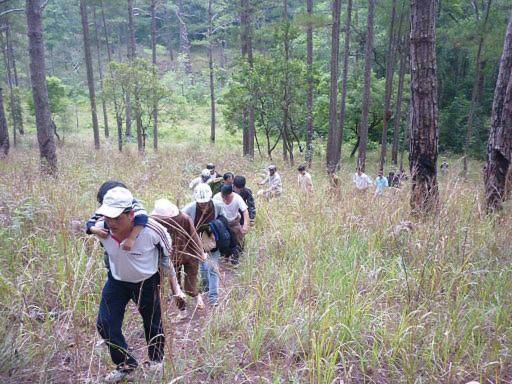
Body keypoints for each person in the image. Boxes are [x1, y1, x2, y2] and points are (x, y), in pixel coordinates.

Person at [92, 187, 183, 383]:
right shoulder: (101, 227)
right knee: (105, 323)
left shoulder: (153, 231)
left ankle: (156, 361)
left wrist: (176, 289)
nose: (111, 223)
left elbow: (166, 259)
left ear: (131, 215)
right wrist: (92, 227)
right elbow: (88, 225)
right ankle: (126, 364)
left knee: (152, 323)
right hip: (116, 281)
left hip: (146, 282)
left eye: (117, 218)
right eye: (108, 217)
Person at [150, 199, 206, 319]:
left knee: (190, 285)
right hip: (171, 258)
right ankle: (183, 311)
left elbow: (193, 235)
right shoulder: (155, 221)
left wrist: (201, 252)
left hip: (189, 254)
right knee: (176, 287)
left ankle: (197, 297)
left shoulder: (184, 218)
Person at [86, 180, 148, 269]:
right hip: (111, 248)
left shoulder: (132, 204)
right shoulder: (105, 208)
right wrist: (95, 230)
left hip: (133, 247)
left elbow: (142, 217)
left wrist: (131, 238)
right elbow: (90, 223)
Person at [182, 184, 225, 306]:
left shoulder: (218, 206)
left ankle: (213, 298)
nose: (203, 205)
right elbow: (181, 222)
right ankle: (206, 287)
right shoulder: (189, 209)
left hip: (212, 243)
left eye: (205, 202)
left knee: (212, 268)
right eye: (200, 203)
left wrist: (213, 227)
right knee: (203, 266)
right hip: (196, 244)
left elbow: (224, 220)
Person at [213, 184, 249, 264]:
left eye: (226, 196)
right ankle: (225, 256)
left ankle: (236, 257)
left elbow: (245, 211)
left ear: (231, 193)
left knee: (239, 238)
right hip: (222, 223)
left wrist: (245, 225)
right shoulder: (216, 197)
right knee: (224, 241)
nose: (224, 198)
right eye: (223, 196)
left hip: (234, 221)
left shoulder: (237, 198)